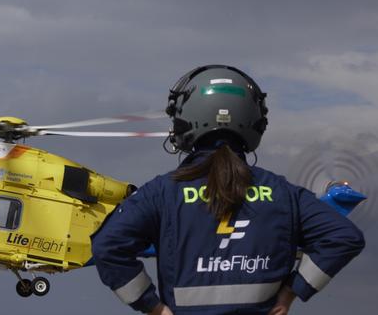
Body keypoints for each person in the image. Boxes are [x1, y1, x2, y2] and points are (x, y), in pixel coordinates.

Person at [91, 65, 365, 315]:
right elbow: (344, 237)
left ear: (184, 119)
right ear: (256, 121)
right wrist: (290, 293)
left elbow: (107, 246)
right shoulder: (281, 191)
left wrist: (153, 307)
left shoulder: (162, 193)